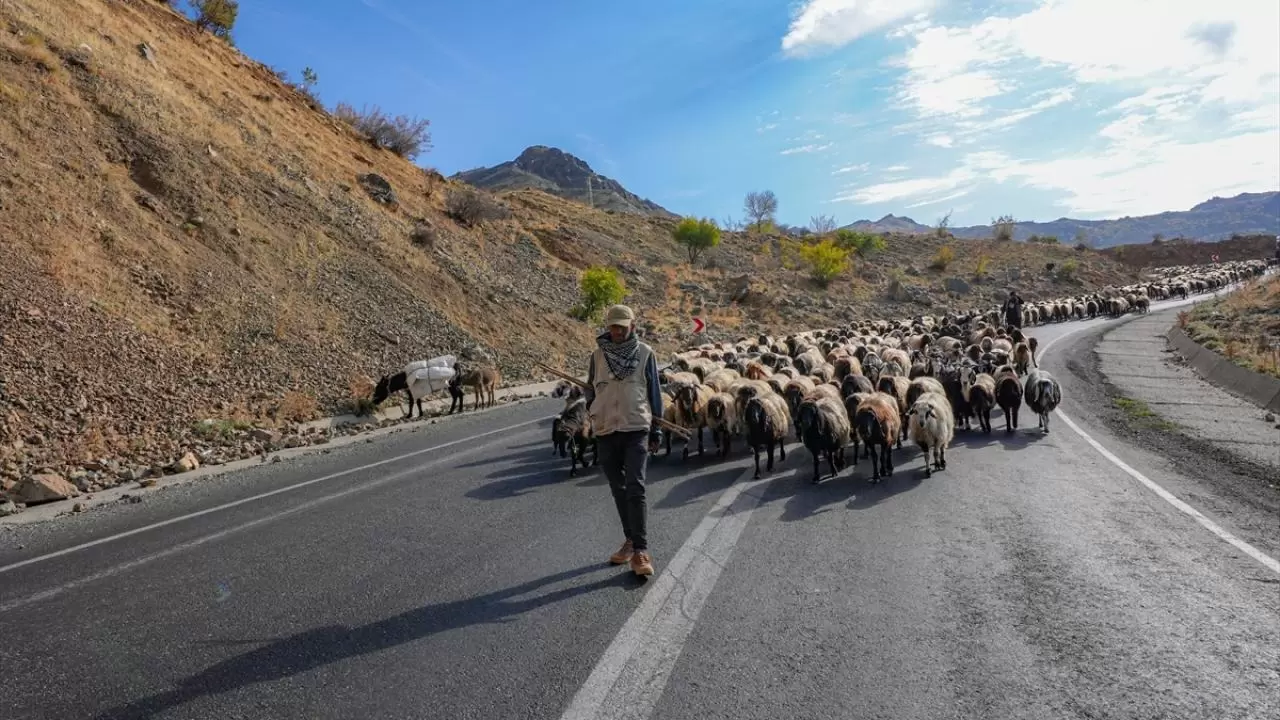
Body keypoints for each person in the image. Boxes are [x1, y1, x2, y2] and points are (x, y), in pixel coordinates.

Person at [583, 304, 664, 577]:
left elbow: (654, 391)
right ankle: (629, 540)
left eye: (621, 326)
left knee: (635, 486)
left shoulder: (645, 353)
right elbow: (590, 389)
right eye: (612, 326)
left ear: (632, 326)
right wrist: (593, 411)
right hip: (606, 429)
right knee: (618, 488)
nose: (616, 331)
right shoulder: (597, 355)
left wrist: (657, 430)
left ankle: (641, 550)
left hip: (636, 426)